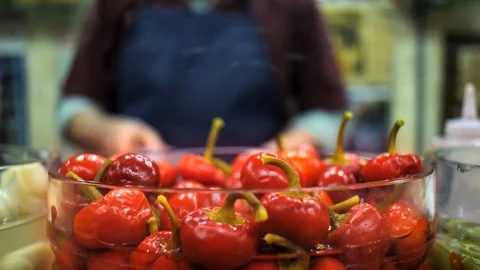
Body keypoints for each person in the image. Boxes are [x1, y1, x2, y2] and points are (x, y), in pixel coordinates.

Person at [58, 0, 347, 154]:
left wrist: (288, 148)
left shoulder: (291, 6)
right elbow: (74, 106)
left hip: (258, 202)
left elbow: (329, 111)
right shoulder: (118, 5)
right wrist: (108, 132)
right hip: (140, 206)